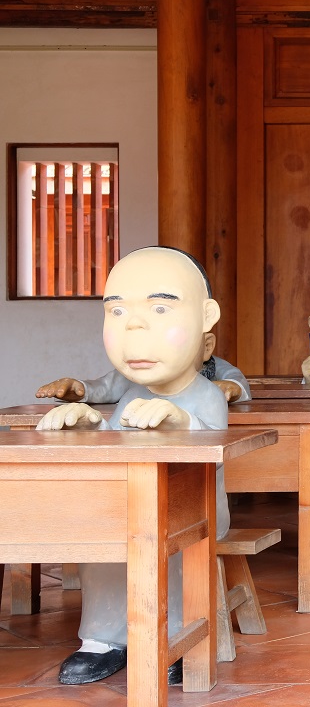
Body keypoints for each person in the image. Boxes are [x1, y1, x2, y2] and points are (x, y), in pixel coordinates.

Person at [35, 246, 228, 686]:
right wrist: (91, 425)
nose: (134, 326)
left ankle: (179, 633)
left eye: (159, 309)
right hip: (131, 505)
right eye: (117, 311)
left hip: (194, 508)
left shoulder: (207, 394)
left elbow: (213, 448)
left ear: (207, 317)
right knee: (102, 534)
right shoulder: (129, 395)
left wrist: (182, 423)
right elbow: (120, 445)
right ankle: (103, 637)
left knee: (167, 537)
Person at [36, 332, 250, 404]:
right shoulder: (142, 372)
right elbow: (107, 386)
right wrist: (81, 390)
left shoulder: (216, 368)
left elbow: (237, 381)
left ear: (207, 346)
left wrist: (231, 388)